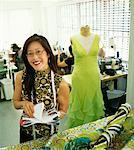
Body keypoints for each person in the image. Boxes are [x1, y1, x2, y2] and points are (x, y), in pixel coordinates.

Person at [13, 34, 70, 143]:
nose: (34, 58)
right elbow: (15, 102)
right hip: (27, 132)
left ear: (48, 53)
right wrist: (23, 103)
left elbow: (63, 111)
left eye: (39, 52)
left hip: (49, 135)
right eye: (30, 53)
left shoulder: (61, 84)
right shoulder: (20, 77)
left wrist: (53, 117)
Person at [65, 25, 105, 129]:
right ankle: (78, 130)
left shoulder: (97, 37)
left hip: (93, 75)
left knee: (93, 101)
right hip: (79, 76)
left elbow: (102, 55)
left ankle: (93, 129)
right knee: (79, 101)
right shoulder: (73, 38)